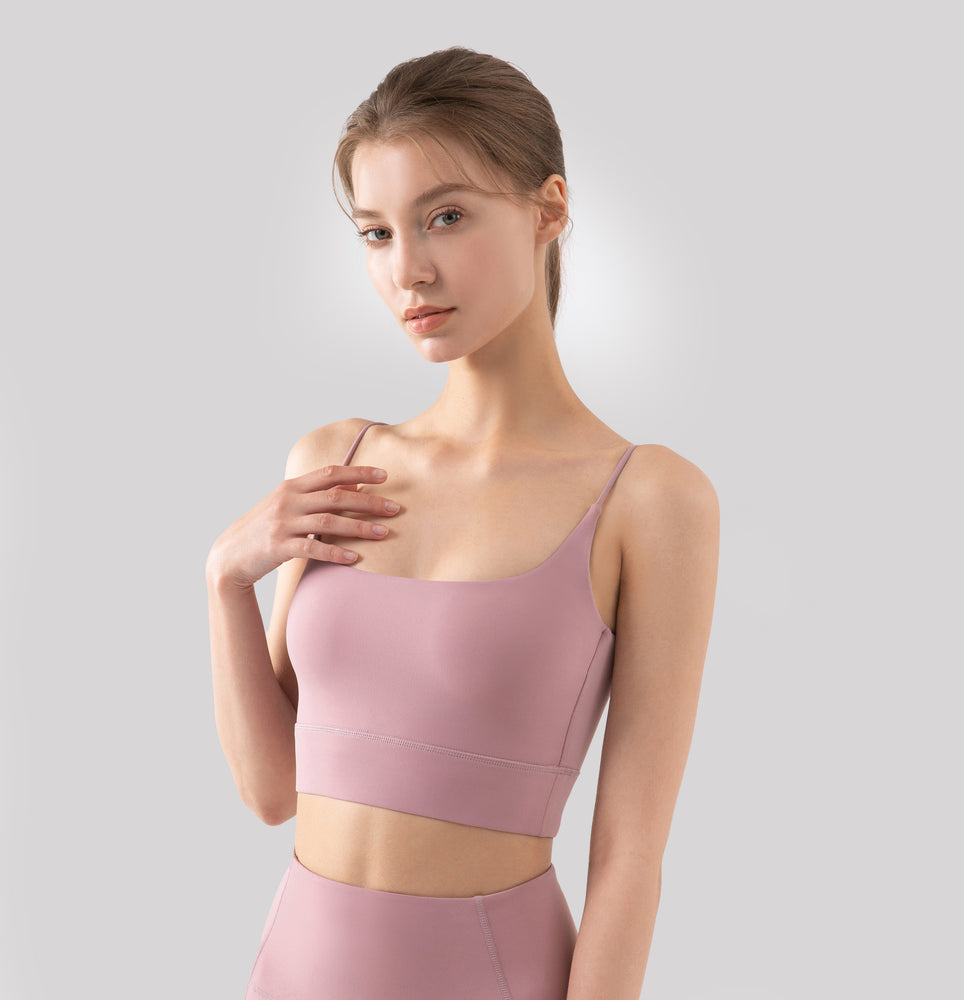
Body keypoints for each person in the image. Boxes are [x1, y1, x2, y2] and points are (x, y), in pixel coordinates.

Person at [206, 46, 719, 1000]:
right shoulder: (334, 462)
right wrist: (225, 581)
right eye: (376, 233)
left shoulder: (647, 499)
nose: (408, 269)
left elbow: (630, 858)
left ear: (549, 209)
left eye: (445, 216)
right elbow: (273, 791)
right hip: (293, 973)